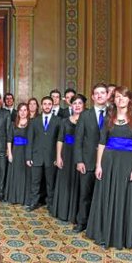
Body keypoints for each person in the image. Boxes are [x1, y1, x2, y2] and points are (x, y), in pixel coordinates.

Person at [86, 86, 132, 250]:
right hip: (108, 161)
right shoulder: (108, 118)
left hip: (127, 162)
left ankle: (120, 236)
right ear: (114, 99)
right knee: (106, 195)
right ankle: (103, 234)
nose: (120, 100)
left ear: (129, 100)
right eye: (118, 97)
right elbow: (102, 142)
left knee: (123, 197)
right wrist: (98, 165)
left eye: (124, 97)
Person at [72, 83, 108, 233]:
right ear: (93, 97)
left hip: (107, 162)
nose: (99, 96)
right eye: (96, 93)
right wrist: (79, 160)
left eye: (102, 93)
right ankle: (82, 222)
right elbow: (78, 140)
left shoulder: (113, 113)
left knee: (104, 196)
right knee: (85, 195)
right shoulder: (85, 115)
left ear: (107, 95)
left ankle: (100, 224)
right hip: (87, 162)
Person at [52, 94, 86, 222]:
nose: (77, 105)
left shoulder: (87, 120)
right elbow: (60, 140)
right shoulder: (65, 121)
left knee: (77, 184)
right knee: (65, 182)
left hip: (80, 154)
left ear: (84, 105)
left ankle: (75, 215)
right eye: (74, 103)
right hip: (66, 153)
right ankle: (63, 212)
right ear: (71, 105)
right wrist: (58, 156)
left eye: (79, 103)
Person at [25, 96, 59, 212]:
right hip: (36, 156)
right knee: (35, 182)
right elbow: (30, 140)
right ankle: (34, 203)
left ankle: (51, 205)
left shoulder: (58, 120)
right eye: (45, 104)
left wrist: (57, 157)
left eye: (49, 104)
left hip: (51, 157)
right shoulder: (35, 121)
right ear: (42, 105)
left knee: (50, 183)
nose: (47, 106)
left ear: (52, 105)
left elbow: (59, 141)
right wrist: (29, 157)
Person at [4, 103, 30, 205]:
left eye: (25, 110)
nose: (23, 112)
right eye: (21, 110)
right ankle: (14, 197)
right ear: (18, 112)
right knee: (15, 173)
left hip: (26, 151)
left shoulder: (31, 124)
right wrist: (10, 153)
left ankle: (23, 198)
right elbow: (9, 140)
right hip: (15, 151)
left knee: (25, 174)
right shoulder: (13, 124)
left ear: (27, 111)